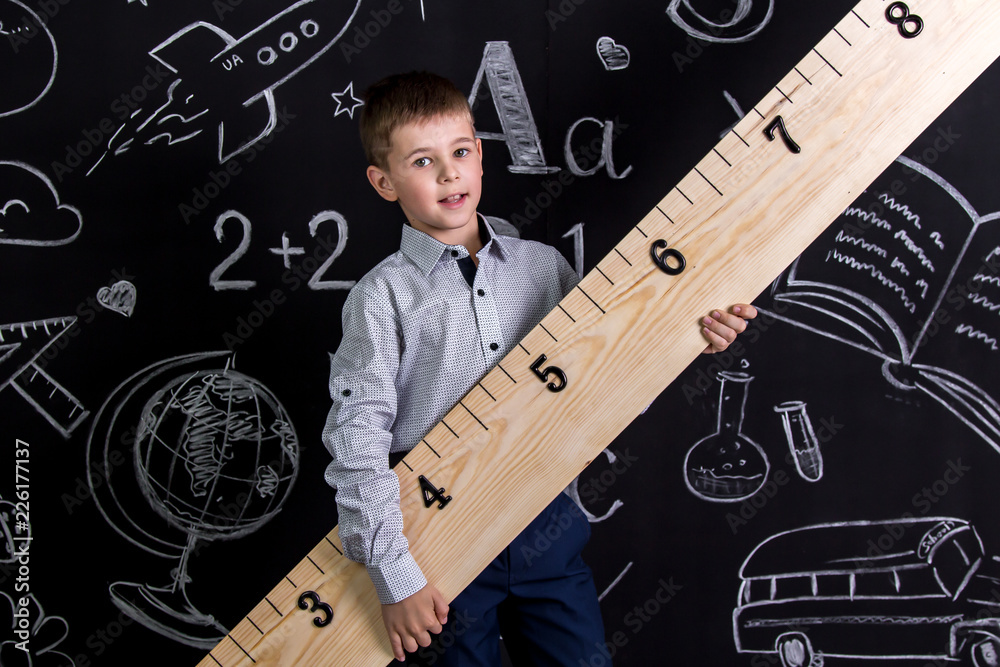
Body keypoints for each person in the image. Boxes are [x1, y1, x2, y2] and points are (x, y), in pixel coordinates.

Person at [322, 71, 758, 665]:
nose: (449, 174)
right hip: (435, 547)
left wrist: (693, 340)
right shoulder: (380, 299)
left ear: (480, 156)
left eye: (461, 152)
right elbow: (356, 443)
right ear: (383, 181)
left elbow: (607, 370)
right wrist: (395, 577)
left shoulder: (544, 269)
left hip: (547, 529)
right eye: (422, 162)